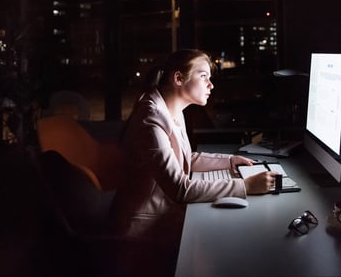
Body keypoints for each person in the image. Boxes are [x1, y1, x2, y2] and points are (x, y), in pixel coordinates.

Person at [110, 49, 277, 275]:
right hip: (142, 232)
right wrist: (245, 186)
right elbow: (180, 189)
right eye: (203, 76)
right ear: (178, 79)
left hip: (161, 219)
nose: (211, 85)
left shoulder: (173, 110)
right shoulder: (151, 118)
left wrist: (230, 162)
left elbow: (186, 159)